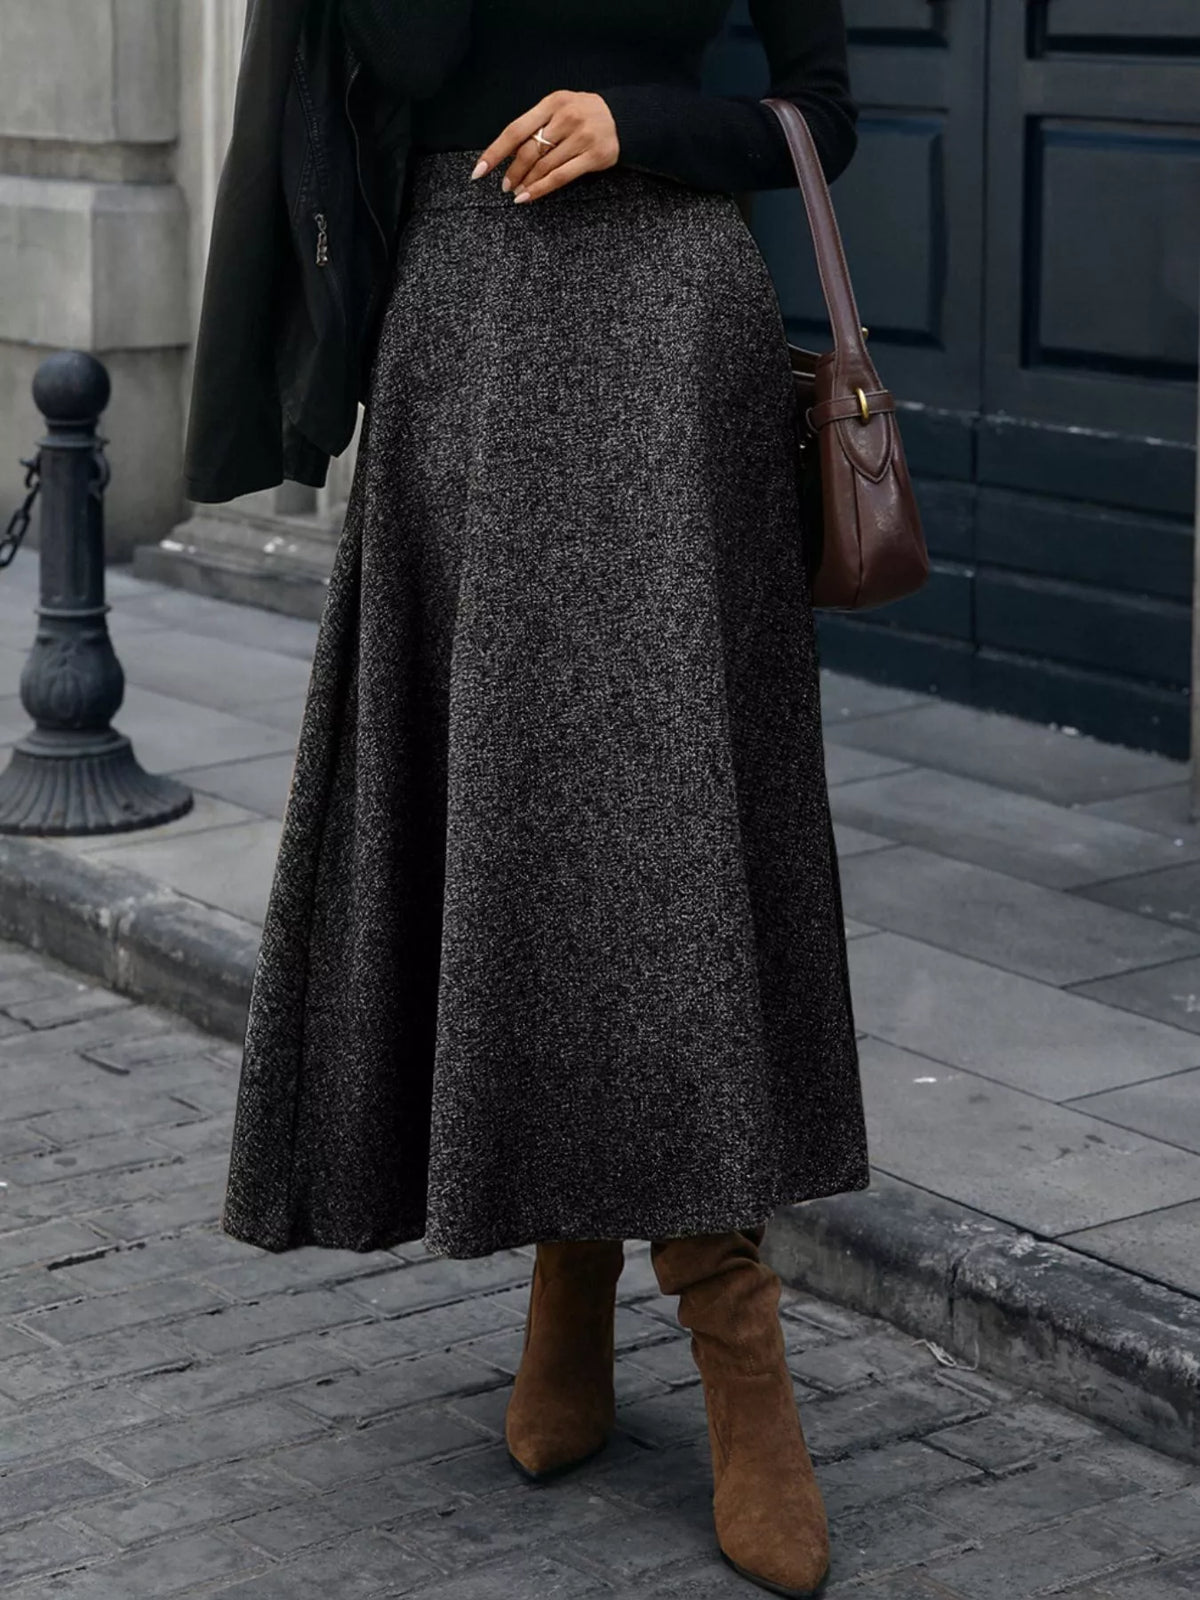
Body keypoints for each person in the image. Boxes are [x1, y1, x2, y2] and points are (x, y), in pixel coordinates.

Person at [204, 3, 871, 1595]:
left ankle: (733, 1336)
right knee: (516, 807)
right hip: (466, 323)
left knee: (660, 832)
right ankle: (568, 1268)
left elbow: (821, 111)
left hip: (668, 332)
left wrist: (638, 124)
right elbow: (401, 62)